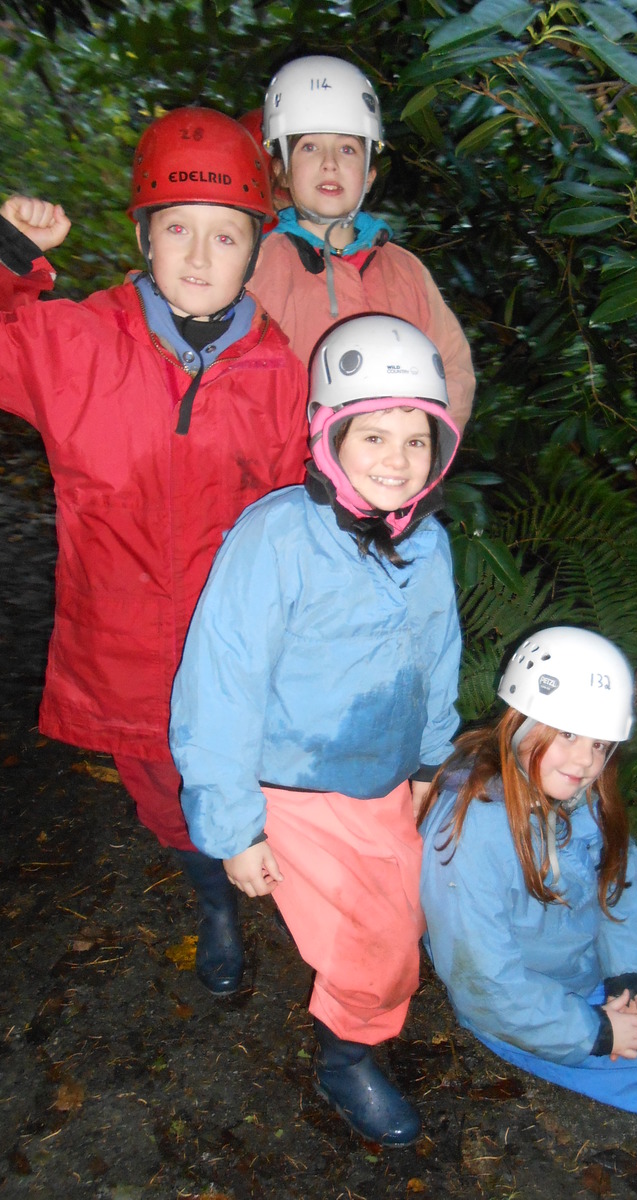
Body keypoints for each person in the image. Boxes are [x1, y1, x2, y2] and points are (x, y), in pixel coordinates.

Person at [0, 108, 311, 998]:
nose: (201, 255)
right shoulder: (74, 346)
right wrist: (10, 260)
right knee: (165, 795)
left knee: (247, 779)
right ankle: (212, 896)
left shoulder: (282, 373)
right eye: (178, 228)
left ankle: (268, 878)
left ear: (258, 247)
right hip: (123, 650)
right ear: (143, 235)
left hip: (241, 655)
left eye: (226, 233)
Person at [169, 314, 462, 1147]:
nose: (397, 459)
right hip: (294, 784)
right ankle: (349, 1059)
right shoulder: (276, 540)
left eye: (417, 440)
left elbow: (440, 654)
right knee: (375, 942)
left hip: (382, 776)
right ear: (329, 435)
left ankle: (355, 1006)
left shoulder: (426, 545)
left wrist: (430, 759)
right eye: (374, 435)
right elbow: (220, 686)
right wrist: (233, 826)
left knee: (411, 907)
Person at [418, 627, 637, 1156]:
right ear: (518, 717)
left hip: (588, 976)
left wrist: (628, 973)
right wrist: (595, 1033)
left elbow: (618, 885)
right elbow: (484, 982)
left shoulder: (580, 793)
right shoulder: (471, 831)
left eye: (599, 744)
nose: (585, 761)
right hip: (530, 1009)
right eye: (567, 733)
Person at [249, 54, 476, 431]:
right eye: (309, 147)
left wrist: (422, 452)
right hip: (295, 481)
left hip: (391, 475)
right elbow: (242, 384)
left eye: (348, 149)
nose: (329, 163)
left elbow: (452, 368)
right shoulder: (263, 266)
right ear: (282, 171)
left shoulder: (404, 270)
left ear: (369, 174)